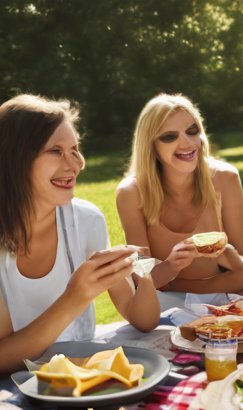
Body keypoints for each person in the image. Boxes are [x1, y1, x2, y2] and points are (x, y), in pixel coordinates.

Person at [0, 95, 160, 374]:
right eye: (56, 151)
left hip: (82, 378)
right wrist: (74, 299)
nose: (76, 164)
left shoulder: (86, 220)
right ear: (15, 159)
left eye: (75, 149)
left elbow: (143, 320)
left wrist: (141, 270)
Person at [116, 94, 243, 303]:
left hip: (226, 298)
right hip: (164, 302)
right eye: (170, 137)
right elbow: (142, 278)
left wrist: (223, 253)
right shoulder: (130, 193)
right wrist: (172, 265)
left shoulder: (224, 178)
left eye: (192, 131)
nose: (187, 144)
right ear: (150, 145)